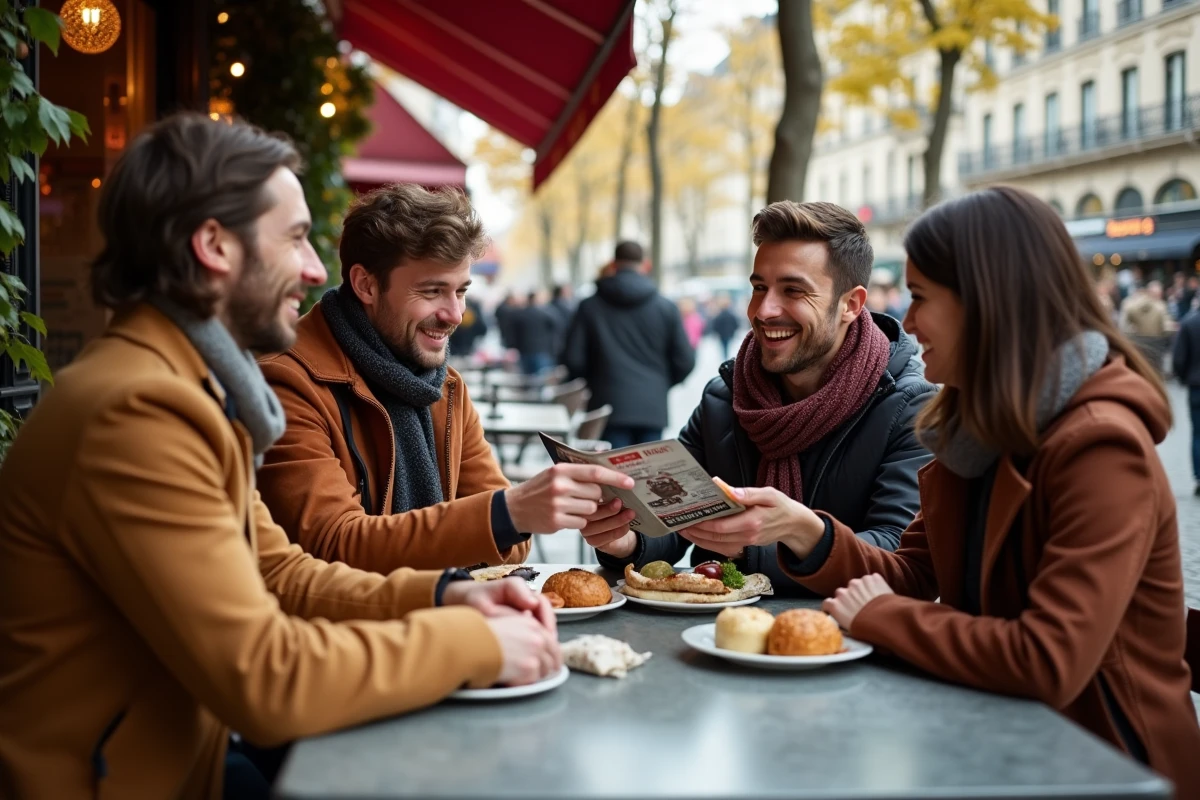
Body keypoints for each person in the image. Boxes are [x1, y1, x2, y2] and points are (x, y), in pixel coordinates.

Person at [0, 114, 561, 798]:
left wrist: (449, 594)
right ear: (213, 245)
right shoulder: (139, 411)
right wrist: (476, 645)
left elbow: (283, 573)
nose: (315, 268)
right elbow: (265, 678)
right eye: (294, 238)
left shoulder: (180, 385)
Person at [785, 187, 1200, 795]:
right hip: (999, 734)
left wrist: (881, 617)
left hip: (1107, 763)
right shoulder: (973, 424)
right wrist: (806, 531)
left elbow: (1048, 659)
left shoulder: (1101, 445)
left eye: (922, 298)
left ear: (987, 304)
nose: (910, 319)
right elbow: (915, 571)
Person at [258, 184, 634, 574]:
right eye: (432, 291)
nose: (455, 314)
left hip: (437, 618)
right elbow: (330, 544)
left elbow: (509, 546)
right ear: (366, 285)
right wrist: (507, 513)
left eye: (461, 291)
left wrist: (510, 515)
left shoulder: (445, 386)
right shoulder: (288, 381)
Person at [583, 202, 935, 593]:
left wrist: (799, 536)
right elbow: (676, 519)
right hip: (712, 639)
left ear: (850, 304)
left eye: (793, 291)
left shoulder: (909, 407)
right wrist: (626, 540)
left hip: (848, 639)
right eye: (759, 288)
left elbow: (901, 558)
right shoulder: (725, 396)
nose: (764, 310)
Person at [561, 240, 695, 449]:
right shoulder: (666, 307)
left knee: (613, 478)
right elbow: (685, 360)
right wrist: (659, 383)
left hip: (607, 405)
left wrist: (596, 380)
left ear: (613, 264)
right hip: (652, 407)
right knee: (648, 478)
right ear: (646, 265)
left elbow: (573, 358)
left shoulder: (590, 306)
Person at [1173, 307, 1200, 495]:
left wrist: (1184, 378)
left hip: (1196, 385)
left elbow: (1179, 359)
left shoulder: (1189, 323)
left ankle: (1199, 476)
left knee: (1198, 433)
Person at [511, 289, 561, 375]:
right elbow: (557, 327)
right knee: (542, 380)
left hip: (525, 351)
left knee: (528, 381)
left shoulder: (519, 314)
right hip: (542, 351)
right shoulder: (545, 314)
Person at [707, 294, 741, 361]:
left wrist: (716, 332)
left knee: (724, 345)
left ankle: (725, 356)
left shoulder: (719, 315)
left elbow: (715, 325)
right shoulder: (731, 314)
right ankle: (726, 355)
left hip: (722, 334)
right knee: (727, 345)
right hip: (729, 333)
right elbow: (736, 324)